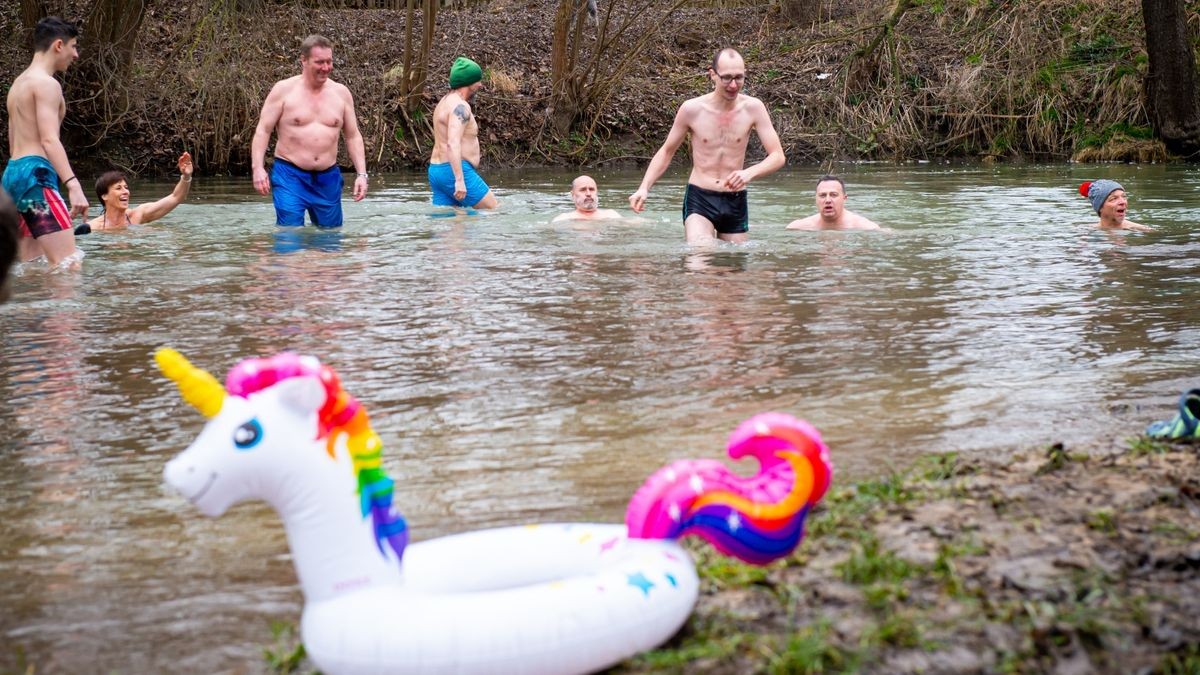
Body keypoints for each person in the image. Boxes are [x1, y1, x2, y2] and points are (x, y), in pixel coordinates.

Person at [628, 47, 785, 244]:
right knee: (700, 253)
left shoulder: (753, 108)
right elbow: (667, 151)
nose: (734, 85)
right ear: (712, 74)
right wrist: (644, 188)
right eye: (726, 78)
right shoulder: (692, 109)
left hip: (734, 199)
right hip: (700, 197)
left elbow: (777, 156)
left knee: (733, 267)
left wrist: (749, 173)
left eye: (739, 77)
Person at [251, 35, 368, 228]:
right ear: (303, 60)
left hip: (327, 177)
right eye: (320, 62)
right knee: (290, 237)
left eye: (329, 61)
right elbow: (263, 130)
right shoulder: (283, 90)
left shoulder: (341, 93)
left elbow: (353, 136)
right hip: (290, 175)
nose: (326, 67)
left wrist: (362, 174)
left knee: (330, 240)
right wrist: (258, 168)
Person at [2, 16, 88, 269]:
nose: (76, 55)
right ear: (58, 45)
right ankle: (67, 310)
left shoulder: (18, 85)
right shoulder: (47, 84)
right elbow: (49, 139)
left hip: (12, 177)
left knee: (32, 264)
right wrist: (73, 184)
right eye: (74, 46)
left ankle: (31, 309)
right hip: (35, 177)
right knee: (69, 263)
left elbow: (12, 141)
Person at [428, 57, 499, 209]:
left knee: (452, 221)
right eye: (477, 81)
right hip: (454, 170)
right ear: (468, 82)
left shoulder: (443, 103)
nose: (480, 85)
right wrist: (459, 179)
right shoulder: (460, 107)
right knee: (494, 210)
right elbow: (452, 143)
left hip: (436, 170)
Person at [84, 152, 194, 232]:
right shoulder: (92, 228)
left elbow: (176, 197)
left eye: (126, 187)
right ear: (104, 196)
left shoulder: (137, 215)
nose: (126, 192)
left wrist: (186, 176)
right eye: (118, 188)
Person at [787, 175, 881, 231]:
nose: (828, 200)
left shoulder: (865, 227)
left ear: (844, 198)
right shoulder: (799, 227)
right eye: (823, 195)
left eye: (833, 195)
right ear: (815, 199)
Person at [1079, 180, 1150, 231]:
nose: (1122, 202)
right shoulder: (1085, 232)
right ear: (1100, 207)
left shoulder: (1143, 230)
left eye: (1124, 196)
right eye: (1114, 198)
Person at [552, 175, 623, 222]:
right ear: (573, 195)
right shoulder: (563, 219)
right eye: (583, 190)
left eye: (591, 189)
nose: (588, 194)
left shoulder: (611, 215)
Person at [0, 190, 19, 302]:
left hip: (12, 184)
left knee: (31, 261)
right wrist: (72, 182)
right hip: (39, 184)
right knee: (70, 263)